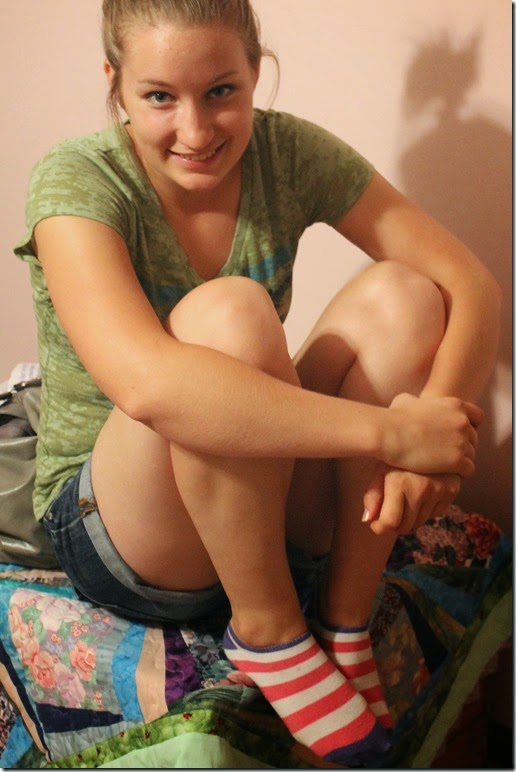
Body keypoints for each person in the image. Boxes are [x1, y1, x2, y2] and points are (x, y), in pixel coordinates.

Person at [15, 0, 500, 766]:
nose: (196, 130)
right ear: (115, 83)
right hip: (119, 523)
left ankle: (344, 619)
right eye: (159, 96)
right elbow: (149, 388)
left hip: (253, 506)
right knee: (232, 315)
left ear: (255, 71)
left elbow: (469, 284)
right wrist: (395, 433)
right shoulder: (76, 179)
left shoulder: (289, 153)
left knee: (405, 294)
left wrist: (436, 436)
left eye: (221, 91)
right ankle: (268, 628)